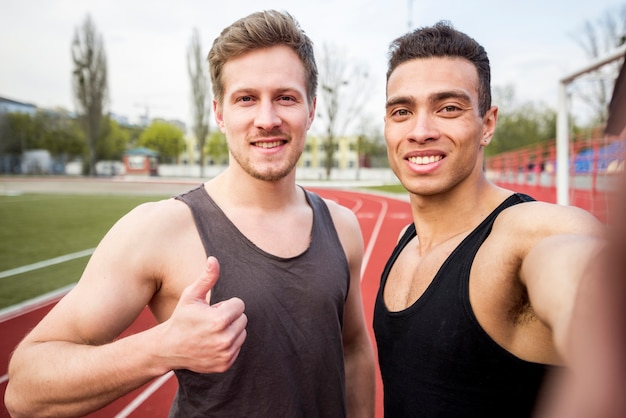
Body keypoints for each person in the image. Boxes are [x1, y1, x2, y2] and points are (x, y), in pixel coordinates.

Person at [5, 10, 375, 418]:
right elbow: (24, 389)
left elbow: (354, 350)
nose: (266, 119)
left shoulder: (342, 227)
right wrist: (161, 347)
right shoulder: (160, 229)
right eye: (246, 98)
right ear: (219, 113)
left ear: (311, 108)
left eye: (285, 97)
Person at [372, 21, 606, 417]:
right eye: (402, 111)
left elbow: (578, 268)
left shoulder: (527, 233)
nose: (421, 130)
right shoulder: (404, 241)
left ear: (488, 124)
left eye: (448, 108)